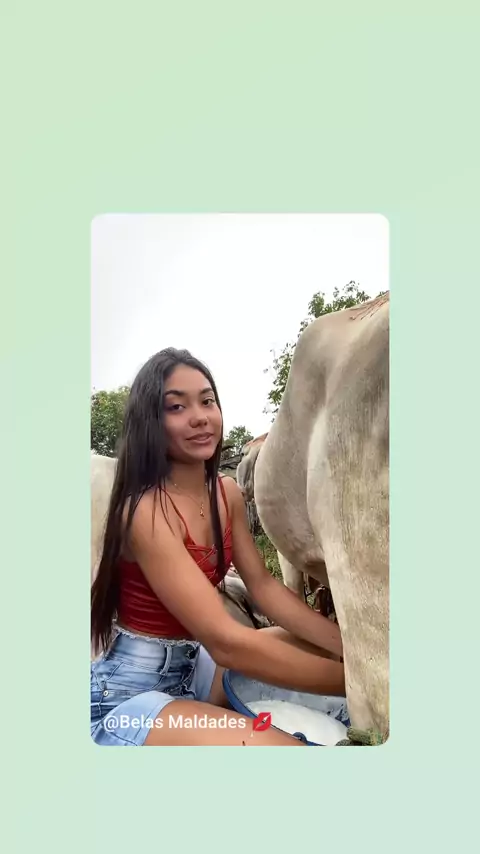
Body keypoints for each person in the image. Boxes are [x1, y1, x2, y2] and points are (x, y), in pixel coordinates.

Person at [91, 347, 345, 746]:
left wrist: (349, 648)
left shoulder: (225, 494)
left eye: (207, 401)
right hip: (130, 696)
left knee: (329, 650)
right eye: (177, 407)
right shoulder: (144, 512)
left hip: (199, 671)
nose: (200, 416)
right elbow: (226, 643)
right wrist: (362, 679)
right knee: (287, 749)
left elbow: (264, 586)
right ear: (150, 422)